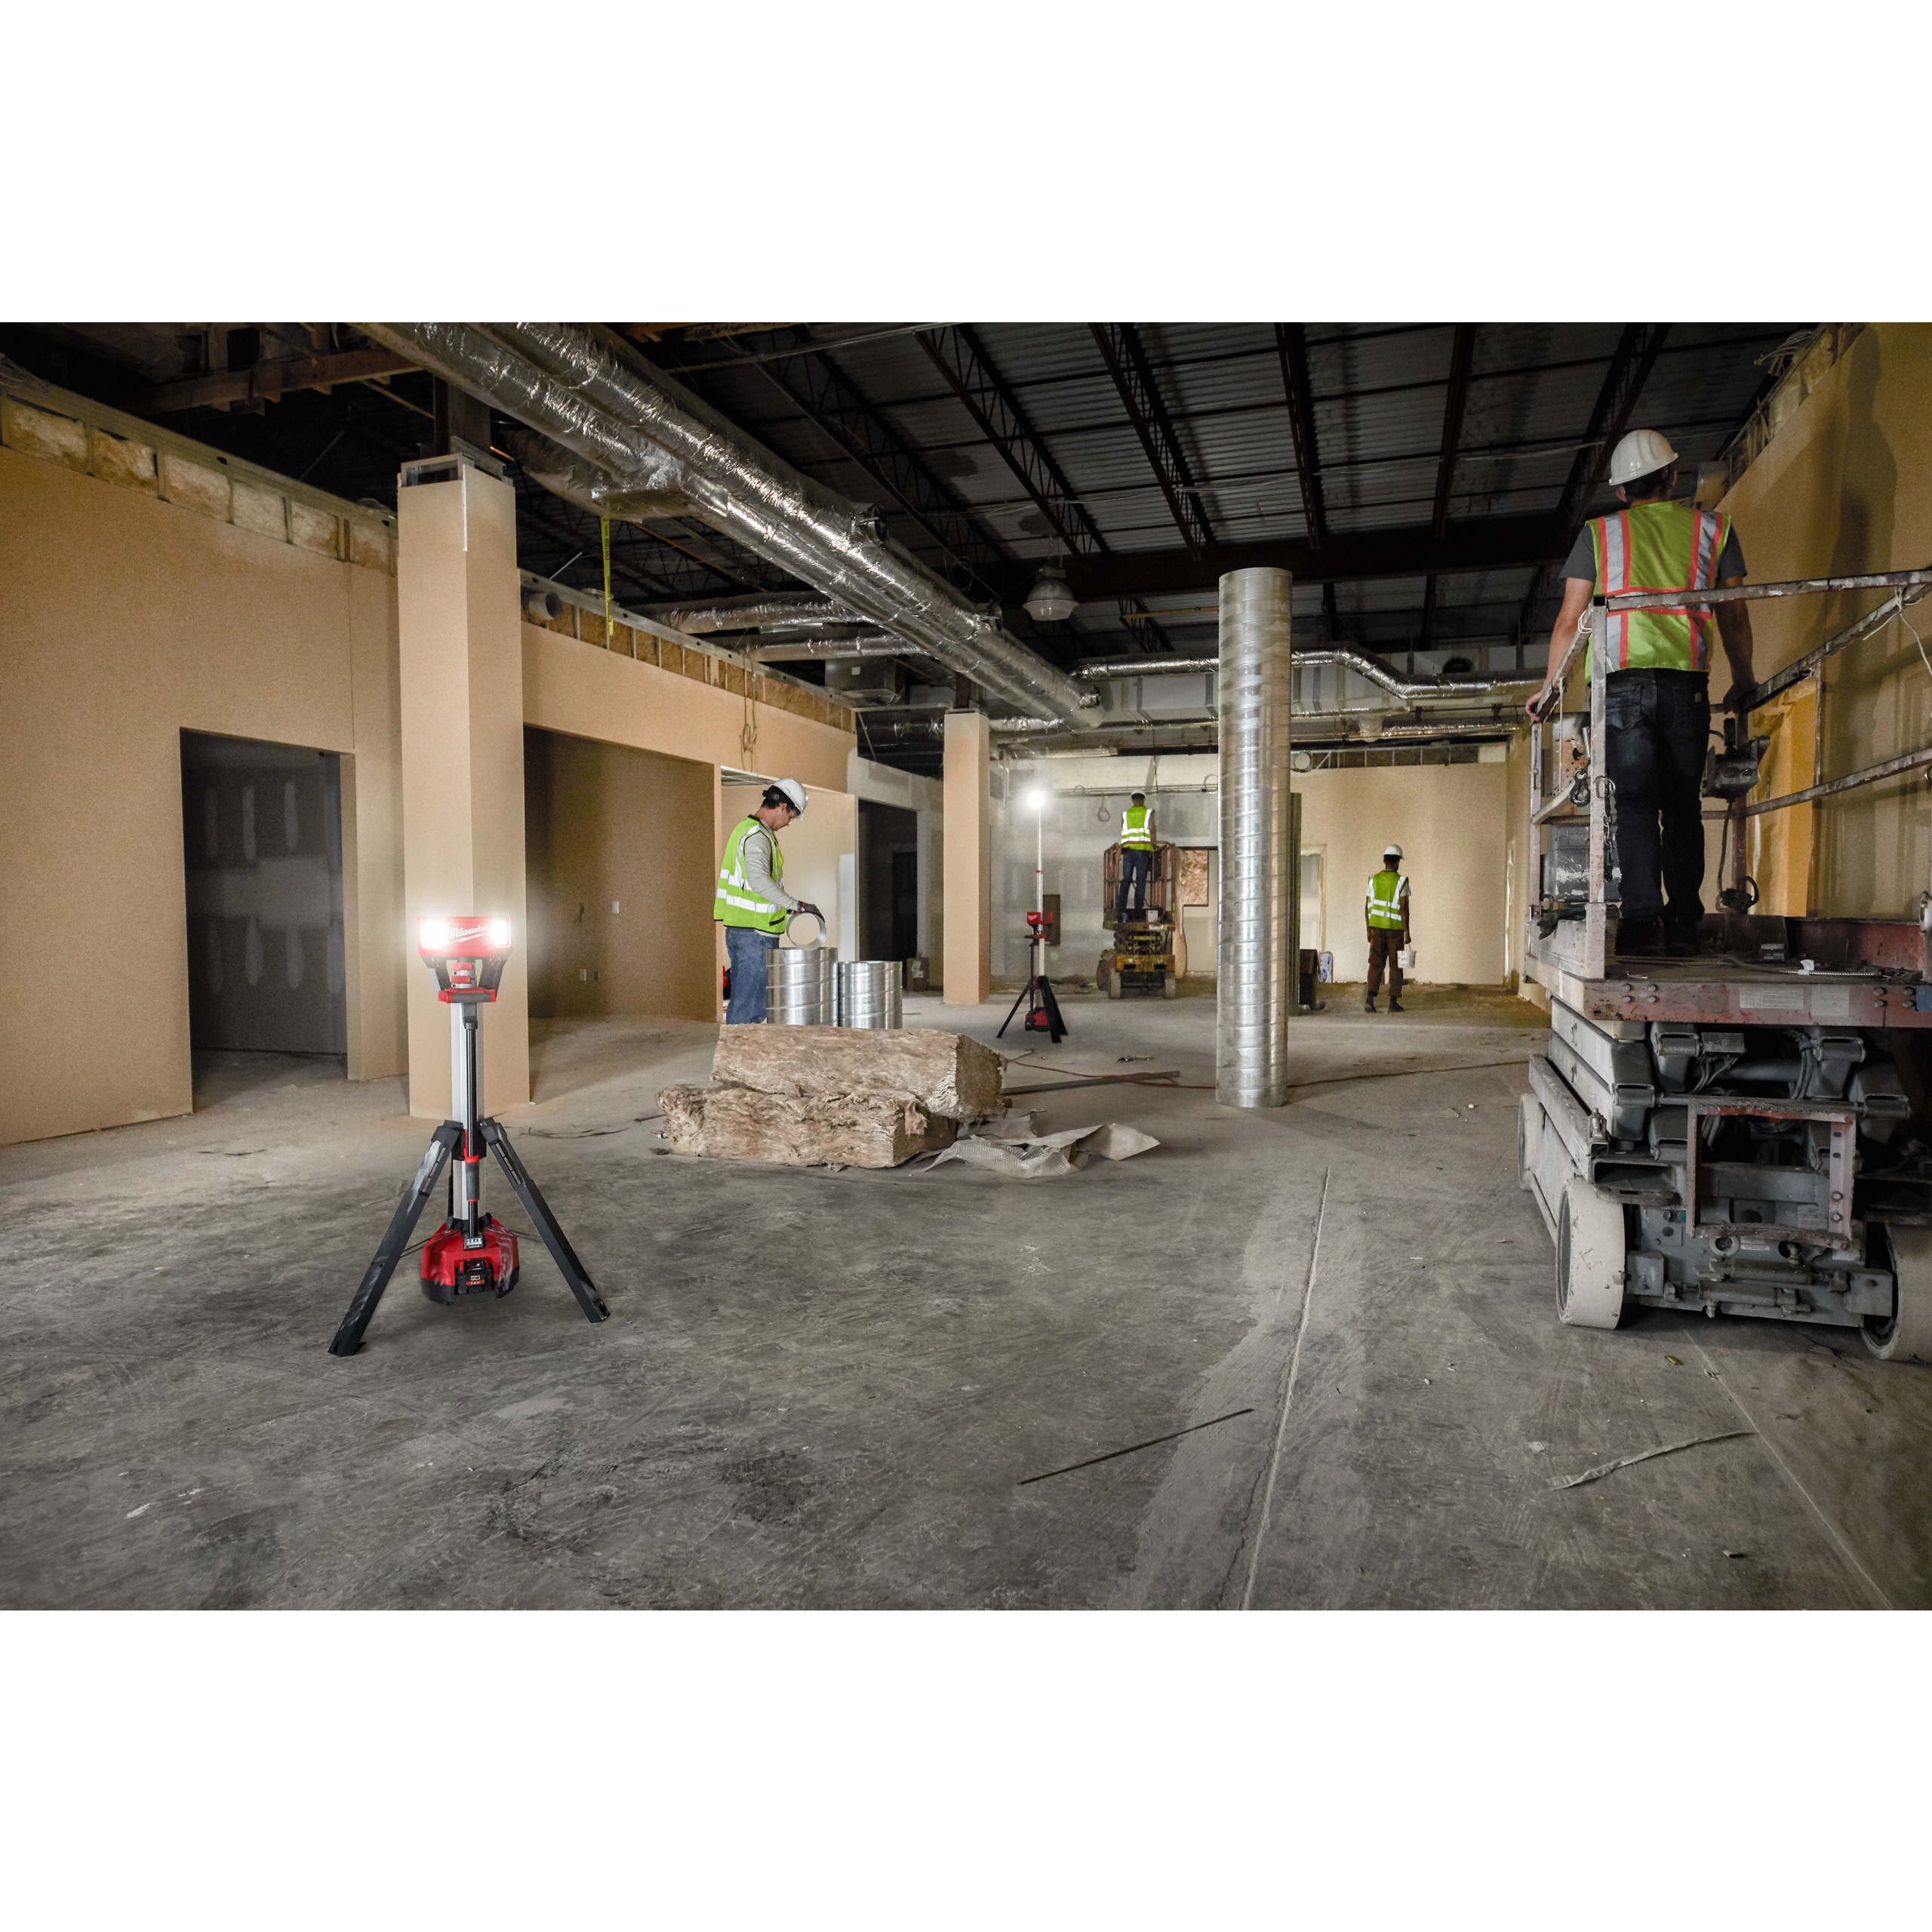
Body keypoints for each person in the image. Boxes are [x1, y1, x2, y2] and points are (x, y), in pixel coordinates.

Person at [1531, 429, 1758, 958]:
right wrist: (1744, 678)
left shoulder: (1599, 534)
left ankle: (1639, 924)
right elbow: (1735, 612)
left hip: (1619, 686)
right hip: (1686, 684)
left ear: (1621, 491)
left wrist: (1550, 689)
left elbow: (1569, 621)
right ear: (1673, 477)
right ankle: (1682, 927)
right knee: (1682, 805)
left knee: (1632, 804)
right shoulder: (1714, 529)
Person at [714, 780, 823, 1025]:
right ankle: (738, 1050)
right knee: (748, 1009)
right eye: (791, 816)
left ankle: (742, 1048)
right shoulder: (757, 837)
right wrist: (796, 904)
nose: (789, 823)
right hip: (753, 934)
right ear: (783, 807)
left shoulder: (751, 831)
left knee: (752, 1005)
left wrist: (786, 906)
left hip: (752, 932)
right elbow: (759, 882)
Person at [1364, 844, 1408, 1014]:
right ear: (1398, 862)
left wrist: (1368, 929)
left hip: (1376, 928)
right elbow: (1404, 908)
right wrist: (1407, 932)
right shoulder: (1402, 882)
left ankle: (1370, 1000)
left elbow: (1367, 906)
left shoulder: (1373, 880)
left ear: (1384, 860)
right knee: (1396, 965)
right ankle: (1393, 1002)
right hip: (1395, 930)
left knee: (1375, 963)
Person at [1118, 790, 1155, 918]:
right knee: (1140, 880)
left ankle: (1121, 909)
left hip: (1128, 850)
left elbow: (1123, 831)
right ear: (1143, 800)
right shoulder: (1148, 813)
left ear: (1132, 800)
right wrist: (1154, 847)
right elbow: (1152, 830)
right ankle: (1138, 911)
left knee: (1126, 879)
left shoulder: (1125, 814)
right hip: (1142, 850)